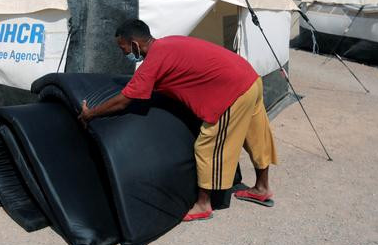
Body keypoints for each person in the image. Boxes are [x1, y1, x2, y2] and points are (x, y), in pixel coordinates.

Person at [78, 19, 278, 222]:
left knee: (208, 146)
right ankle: (262, 188)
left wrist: (91, 113)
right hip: (250, 78)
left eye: (123, 48)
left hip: (232, 91)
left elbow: (124, 101)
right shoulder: (169, 43)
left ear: (136, 44)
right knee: (256, 136)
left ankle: (203, 204)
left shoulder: (154, 60)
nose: (123, 53)